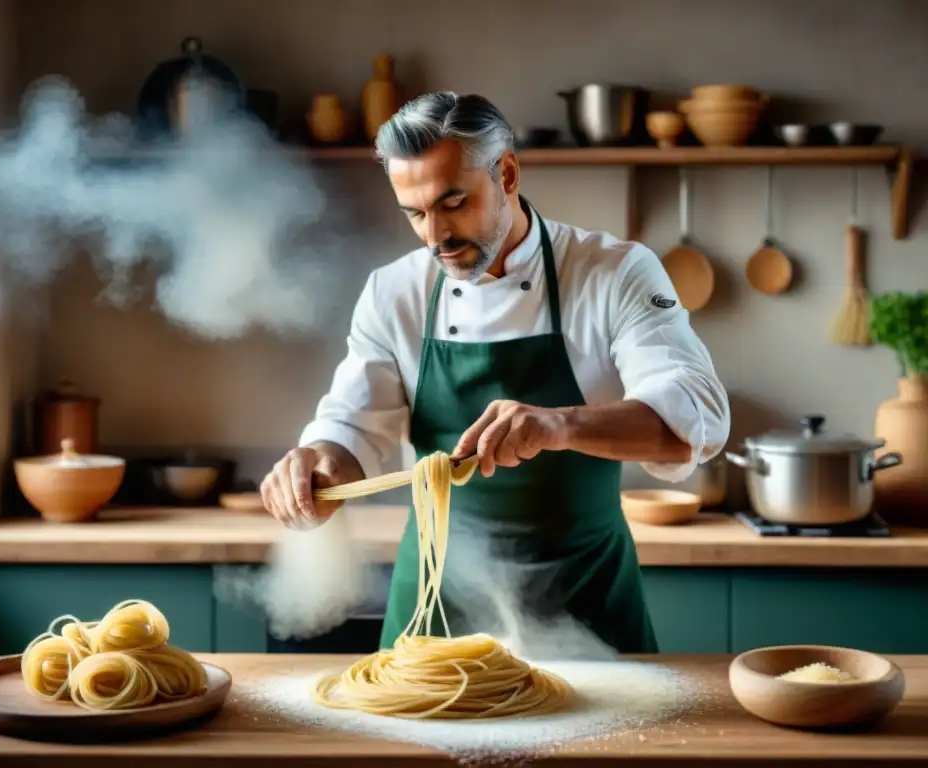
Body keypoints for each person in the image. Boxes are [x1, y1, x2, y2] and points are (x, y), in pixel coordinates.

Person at [260, 92, 730, 654]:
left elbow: (694, 423)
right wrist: (315, 467)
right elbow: (353, 429)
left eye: (453, 202)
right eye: (415, 212)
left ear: (506, 173)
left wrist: (560, 426)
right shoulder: (395, 293)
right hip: (435, 613)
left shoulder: (613, 273)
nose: (436, 235)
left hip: (584, 602)